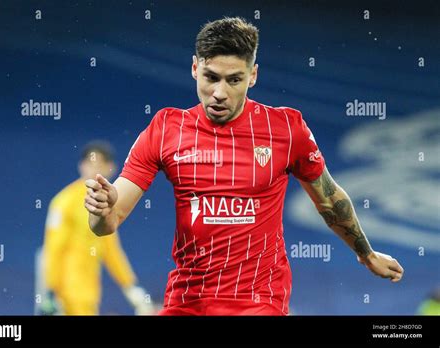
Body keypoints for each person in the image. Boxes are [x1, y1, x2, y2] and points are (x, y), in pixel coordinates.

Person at [84, 18, 404, 315]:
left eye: (234, 80)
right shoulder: (166, 128)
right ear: (195, 68)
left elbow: (329, 199)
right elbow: (108, 223)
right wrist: (101, 210)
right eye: (211, 77)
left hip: (259, 301)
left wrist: (366, 253)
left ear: (252, 76)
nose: (220, 93)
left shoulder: (286, 128)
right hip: (187, 300)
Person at [40, 141, 154, 315]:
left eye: (99, 165)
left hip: (90, 293)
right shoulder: (63, 202)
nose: (93, 170)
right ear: (81, 166)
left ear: (111, 168)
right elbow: (54, 248)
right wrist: (50, 290)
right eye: (89, 164)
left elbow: (110, 250)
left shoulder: (105, 203)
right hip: (67, 294)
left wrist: (131, 286)